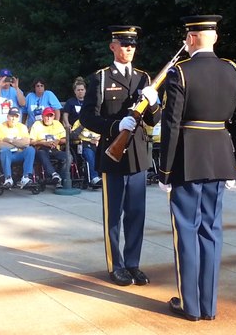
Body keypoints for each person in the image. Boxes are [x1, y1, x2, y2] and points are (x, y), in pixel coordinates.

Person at [158, 15, 236, 321]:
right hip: (221, 158)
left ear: (191, 38)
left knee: (186, 230)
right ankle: (209, 306)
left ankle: (190, 305)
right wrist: (235, 165)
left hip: (188, 158)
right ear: (215, 38)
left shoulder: (180, 73)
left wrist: (165, 171)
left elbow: (171, 125)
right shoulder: (233, 72)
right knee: (212, 231)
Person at [81, 25, 160, 287]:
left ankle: (133, 263)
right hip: (113, 154)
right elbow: (87, 117)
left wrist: (154, 102)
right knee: (113, 214)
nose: (129, 49)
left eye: (133, 44)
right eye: (124, 44)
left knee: (136, 213)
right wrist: (115, 126)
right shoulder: (101, 78)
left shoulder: (143, 78)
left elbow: (153, 118)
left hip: (138, 154)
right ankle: (117, 265)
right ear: (112, 46)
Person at [0, 107, 35, 188]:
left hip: (19, 154)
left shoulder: (22, 127)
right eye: (12, 116)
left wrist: (9, 140)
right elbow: (0, 145)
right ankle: (8, 178)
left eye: (16, 116)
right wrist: (19, 143)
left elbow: (26, 143)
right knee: (4, 150)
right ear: (8, 116)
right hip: (5, 155)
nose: (13, 119)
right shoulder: (0, 127)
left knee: (30, 150)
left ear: (19, 118)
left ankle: (26, 177)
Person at [29, 107, 67, 184]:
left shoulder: (57, 124)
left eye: (51, 116)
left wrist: (58, 141)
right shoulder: (37, 124)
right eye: (47, 116)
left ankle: (61, 179)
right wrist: (43, 143)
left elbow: (65, 139)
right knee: (42, 153)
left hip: (55, 149)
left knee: (68, 157)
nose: (49, 118)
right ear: (42, 116)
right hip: (42, 149)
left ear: (53, 117)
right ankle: (54, 174)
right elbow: (31, 141)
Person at [70, 119, 101, 186]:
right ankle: (94, 177)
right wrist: (83, 125)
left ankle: (103, 177)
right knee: (89, 154)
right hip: (84, 143)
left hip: (98, 143)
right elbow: (73, 136)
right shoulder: (79, 122)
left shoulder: (98, 121)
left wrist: (98, 140)